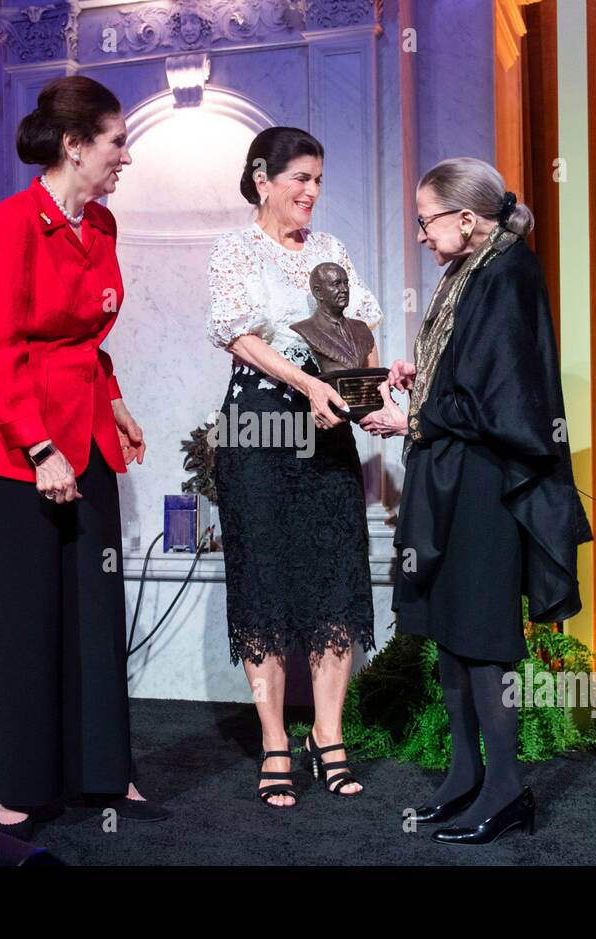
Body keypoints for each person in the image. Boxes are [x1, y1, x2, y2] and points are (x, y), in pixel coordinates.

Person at [0, 75, 168, 838]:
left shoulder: (102, 225)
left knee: (94, 609)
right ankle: (21, 787)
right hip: (16, 449)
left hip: (86, 435)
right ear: (75, 147)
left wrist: (114, 402)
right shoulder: (12, 222)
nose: (126, 156)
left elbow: (86, 340)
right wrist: (40, 446)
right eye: (116, 142)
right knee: (25, 616)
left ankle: (105, 771)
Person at [359, 157, 592, 845]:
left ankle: (507, 788)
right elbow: (461, 370)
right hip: (450, 470)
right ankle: (465, 776)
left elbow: (499, 395)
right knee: (450, 628)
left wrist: (413, 419)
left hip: (487, 482)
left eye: (427, 221)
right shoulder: (466, 272)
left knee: (484, 635)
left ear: (465, 217)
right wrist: (416, 375)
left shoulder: (508, 270)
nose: (423, 236)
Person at [207, 127, 384, 807]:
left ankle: (329, 735)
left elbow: (360, 326)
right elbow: (238, 335)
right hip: (258, 426)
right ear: (262, 179)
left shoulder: (331, 252)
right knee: (266, 580)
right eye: (299, 179)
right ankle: (276, 739)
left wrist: (354, 386)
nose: (311, 191)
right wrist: (305, 383)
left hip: (325, 429)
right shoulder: (233, 251)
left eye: (318, 179)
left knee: (336, 578)